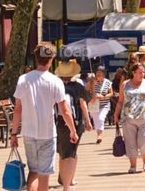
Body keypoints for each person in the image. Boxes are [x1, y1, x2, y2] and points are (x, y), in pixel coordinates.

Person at [10, 42, 78, 191]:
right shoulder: (55, 81)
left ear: (36, 57)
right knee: (44, 174)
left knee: (33, 171)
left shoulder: (23, 80)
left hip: (28, 133)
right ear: (52, 59)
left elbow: (17, 110)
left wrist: (13, 133)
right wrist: (72, 130)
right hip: (47, 134)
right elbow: (65, 110)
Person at [113, 61, 145, 173]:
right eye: (140, 72)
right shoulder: (125, 84)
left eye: (143, 72)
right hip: (128, 118)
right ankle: (133, 165)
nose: (142, 74)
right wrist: (116, 114)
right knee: (130, 143)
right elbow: (120, 101)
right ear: (133, 73)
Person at [55, 59, 91, 191]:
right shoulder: (77, 86)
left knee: (63, 152)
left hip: (57, 123)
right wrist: (87, 121)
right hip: (74, 123)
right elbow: (85, 103)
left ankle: (64, 177)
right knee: (71, 153)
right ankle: (66, 185)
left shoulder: (55, 84)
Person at [89, 66, 113, 144]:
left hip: (104, 105)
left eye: (100, 74)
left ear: (104, 74)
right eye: (97, 73)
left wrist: (104, 96)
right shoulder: (92, 81)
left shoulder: (108, 82)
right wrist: (91, 84)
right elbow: (86, 91)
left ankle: (99, 136)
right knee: (96, 120)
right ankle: (98, 133)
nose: (98, 75)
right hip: (94, 104)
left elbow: (111, 93)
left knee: (100, 118)